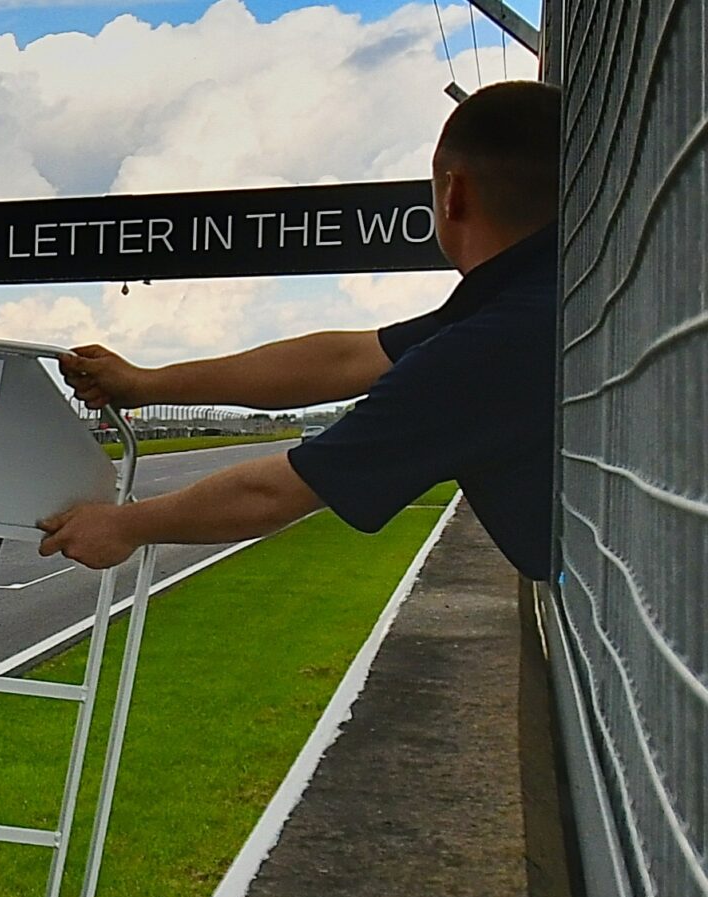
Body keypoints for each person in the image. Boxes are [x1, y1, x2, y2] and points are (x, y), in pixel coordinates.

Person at [38, 80, 561, 581]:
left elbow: (278, 490)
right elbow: (347, 359)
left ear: (454, 194)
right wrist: (147, 384)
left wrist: (125, 524)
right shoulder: (540, 294)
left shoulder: (485, 348)